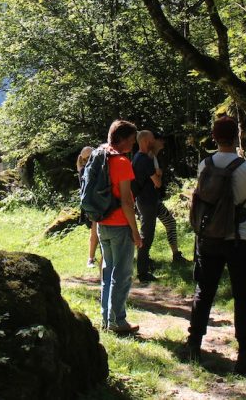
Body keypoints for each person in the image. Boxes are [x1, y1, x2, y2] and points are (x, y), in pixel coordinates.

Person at [183, 116, 246, 374]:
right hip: (240, 238)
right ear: (237, 137)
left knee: (204, 290)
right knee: (243, 296)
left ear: (213, 136)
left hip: (209, 237)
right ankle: (245, 356)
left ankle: (193, 346)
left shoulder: (204, 165)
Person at [97, 119, 143, 334]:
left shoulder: (100, 156)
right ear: (122, 139)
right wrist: (135, 231)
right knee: (122, 274)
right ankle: (118, 321)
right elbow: (126, 201)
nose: (133, 145)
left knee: (108, 273)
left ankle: (106, 320)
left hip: (101, 223)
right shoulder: (122, 162)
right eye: (132, 140)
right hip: (119, 225)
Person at [152, 132, 186, 264]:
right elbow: (156, 181)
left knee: (170, 223)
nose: (163, 142)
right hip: (149, 202)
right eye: (160, 139)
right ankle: (143, 262)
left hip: (154, 200)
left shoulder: (153, 156)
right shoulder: (149, 157)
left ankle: (176, 255)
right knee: (147, 232)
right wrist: (158, 175)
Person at [132, 131, 160, 282]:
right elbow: (158, 183)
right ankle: (142, 273)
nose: (154, 141)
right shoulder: (146, 160)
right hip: (148, 201)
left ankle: (144, 266)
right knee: (146, 235)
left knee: (146, 234)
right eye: (152, 139)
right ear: (145, 141)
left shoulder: (136, 157)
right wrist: (159, 175)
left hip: (141, 200)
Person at [77, 146, 99, 268]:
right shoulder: (84, 170)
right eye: (86, 158)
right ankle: (90, 258)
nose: (88, 160)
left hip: (97, 203)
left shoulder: (93, 167)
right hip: (92, 205)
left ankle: (94, 258)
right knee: (94, 232)